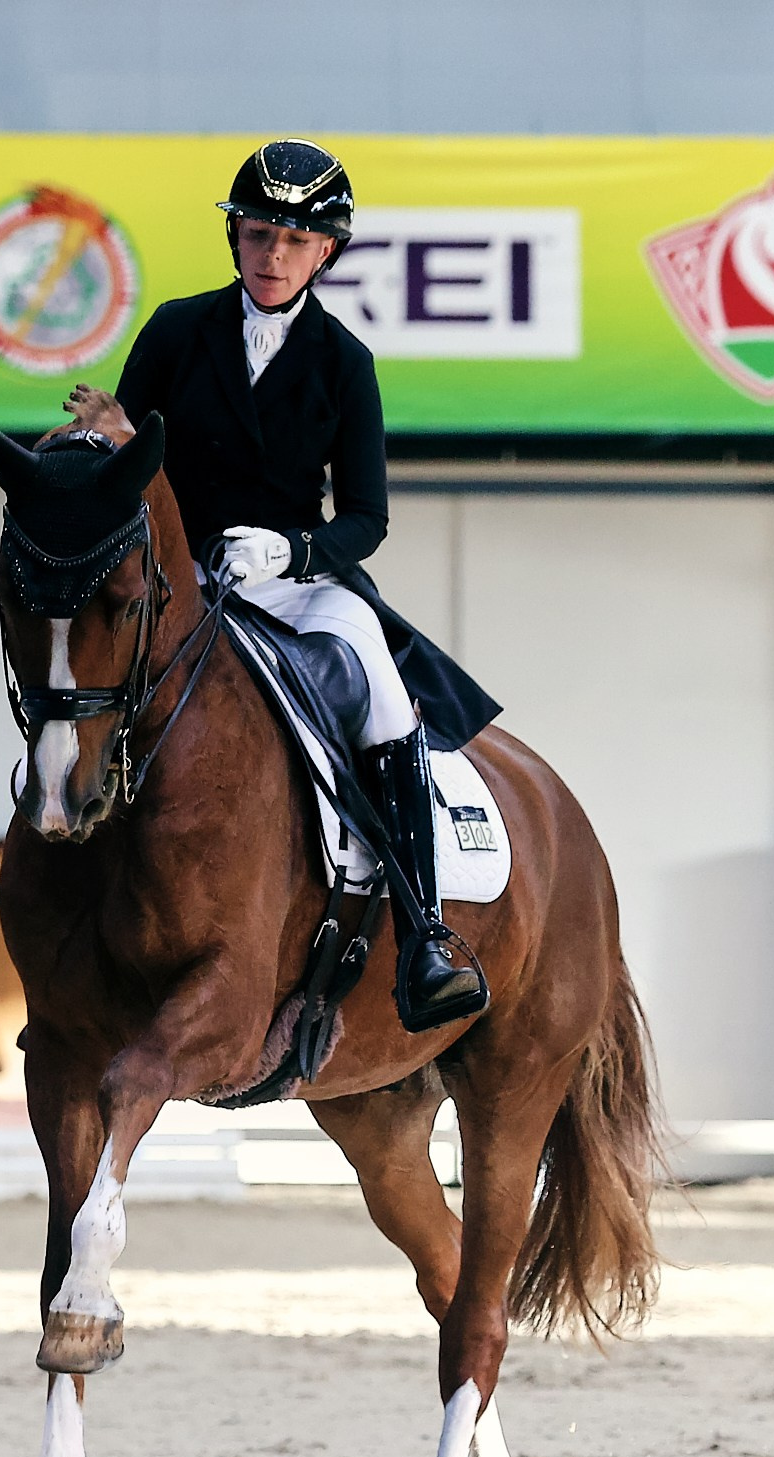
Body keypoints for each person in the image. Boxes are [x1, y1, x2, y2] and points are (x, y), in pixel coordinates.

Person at [65, 138, 501, 1032]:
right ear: (236, 237)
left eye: (295, 242)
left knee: (383, 690)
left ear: (326, 252)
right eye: (260, 233)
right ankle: (62, 887)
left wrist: (293, 550)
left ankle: (424, 934)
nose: (273, 256)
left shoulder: (345, 363)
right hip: (177, 578)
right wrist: (113, 438)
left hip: (296, 583)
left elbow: (367, 518)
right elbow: (133, 465)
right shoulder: (176, 331)